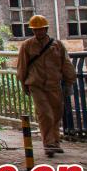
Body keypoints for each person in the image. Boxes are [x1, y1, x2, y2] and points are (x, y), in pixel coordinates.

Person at [16, 15, 76, 157]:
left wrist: (69, 82)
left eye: (41, 29)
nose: (39, 32)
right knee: (45, 114)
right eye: (36, 30)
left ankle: (55, 142)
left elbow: (66, 64)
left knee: (56, 114)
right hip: (36, 85)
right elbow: (22, 67)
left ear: (46, 29)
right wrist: (23, 83)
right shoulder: (27, 46)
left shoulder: (57, 45)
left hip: (54, 85)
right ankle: (48, 144)